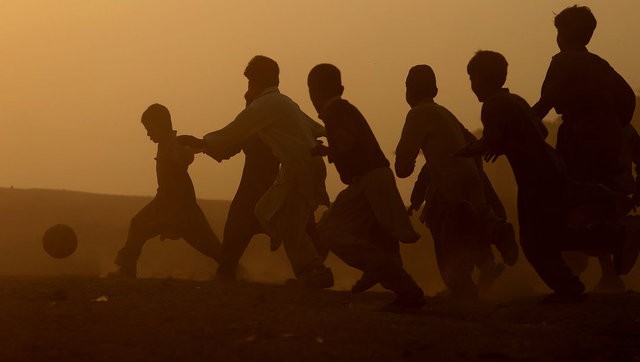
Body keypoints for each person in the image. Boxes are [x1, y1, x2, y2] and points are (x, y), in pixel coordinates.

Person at [458, 50, 639, 302]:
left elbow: (493, 139)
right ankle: (612, 240)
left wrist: (465, 151)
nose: (471, 85)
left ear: (482, 77)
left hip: (535, 180)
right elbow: (539, 130)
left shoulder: (492, 106)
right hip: (551, 168)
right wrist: (502, 143)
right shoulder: (516, 100)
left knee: (534, 243)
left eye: (472, 78)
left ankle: (573, 284)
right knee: (553, 236)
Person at [180, 56, 333, 288]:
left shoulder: (263, 107)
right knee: (284, 220)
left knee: (286, 222)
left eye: (251, 80)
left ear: (256, 79)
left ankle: (314, 271)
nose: (249, 86)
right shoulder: (284, 104)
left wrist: (201, 142)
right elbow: (316, 128)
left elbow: (233, 133)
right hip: (296, 171)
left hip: (292, 172)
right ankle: (312, 269)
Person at [531, 5, 637, 292]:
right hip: (608, 138)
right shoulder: (601, 64)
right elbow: (627, 97)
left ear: (564, 34)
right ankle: (610, 275)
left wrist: (520, 124)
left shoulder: (562, 61)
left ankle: (593, 270)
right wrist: (615, 126)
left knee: (576, 202)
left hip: (579, 139)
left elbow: (546, 101)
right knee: (600, 201)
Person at [307, 63, 425, 309]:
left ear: (314, 92)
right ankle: (401, 288)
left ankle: (385, 272)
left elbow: (347, 143)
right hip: (373, 179)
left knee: (329, 229)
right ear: (340, 87)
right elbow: (350, 145)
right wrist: (330, 150)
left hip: (369, 181)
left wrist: (330, 150)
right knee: (378, 238)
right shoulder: (343, 108)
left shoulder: (335, 110)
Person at [395, 65, 518, 298]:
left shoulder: (417, 115)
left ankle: (464, 292)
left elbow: (402, 167)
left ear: (409, 91)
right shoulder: (444, 112)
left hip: (450, 191)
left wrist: (411, 168)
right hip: (471, 179)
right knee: (474, 230)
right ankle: (493, 236)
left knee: (448, 249)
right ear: (436, 89)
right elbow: (471, 141)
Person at [111, 104, 221, 278]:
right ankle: (127, 269)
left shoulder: (173, 144)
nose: (148, 134)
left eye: (149, 129)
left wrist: (186, 152)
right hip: (164, 202)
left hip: (181, 206)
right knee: (138, 225)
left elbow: (185, 156)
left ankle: (231, 266)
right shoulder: (167, 143)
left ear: (160, 125)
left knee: (206, 243)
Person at [214, 92, 280, 281]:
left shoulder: (273, 130)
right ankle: (227, 272)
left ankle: (311, 272)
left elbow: (226, 148)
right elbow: (227, 149)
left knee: (297, 231)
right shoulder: (249, 132)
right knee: (233, 233)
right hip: (253, 193)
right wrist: (202, 146)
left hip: (268, 193)